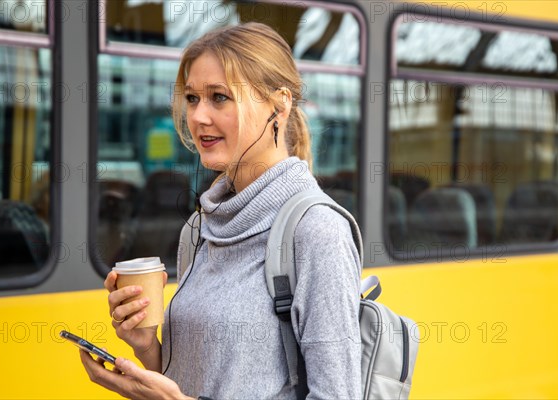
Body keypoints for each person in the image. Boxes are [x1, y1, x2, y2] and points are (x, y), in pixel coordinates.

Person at [80, 22, 362, 399]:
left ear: (279, 105)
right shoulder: (198, 228)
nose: (197, 117)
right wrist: (146, 346)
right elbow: (197, 379)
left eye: (220, 97)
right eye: (193, 98)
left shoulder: (317, 231)